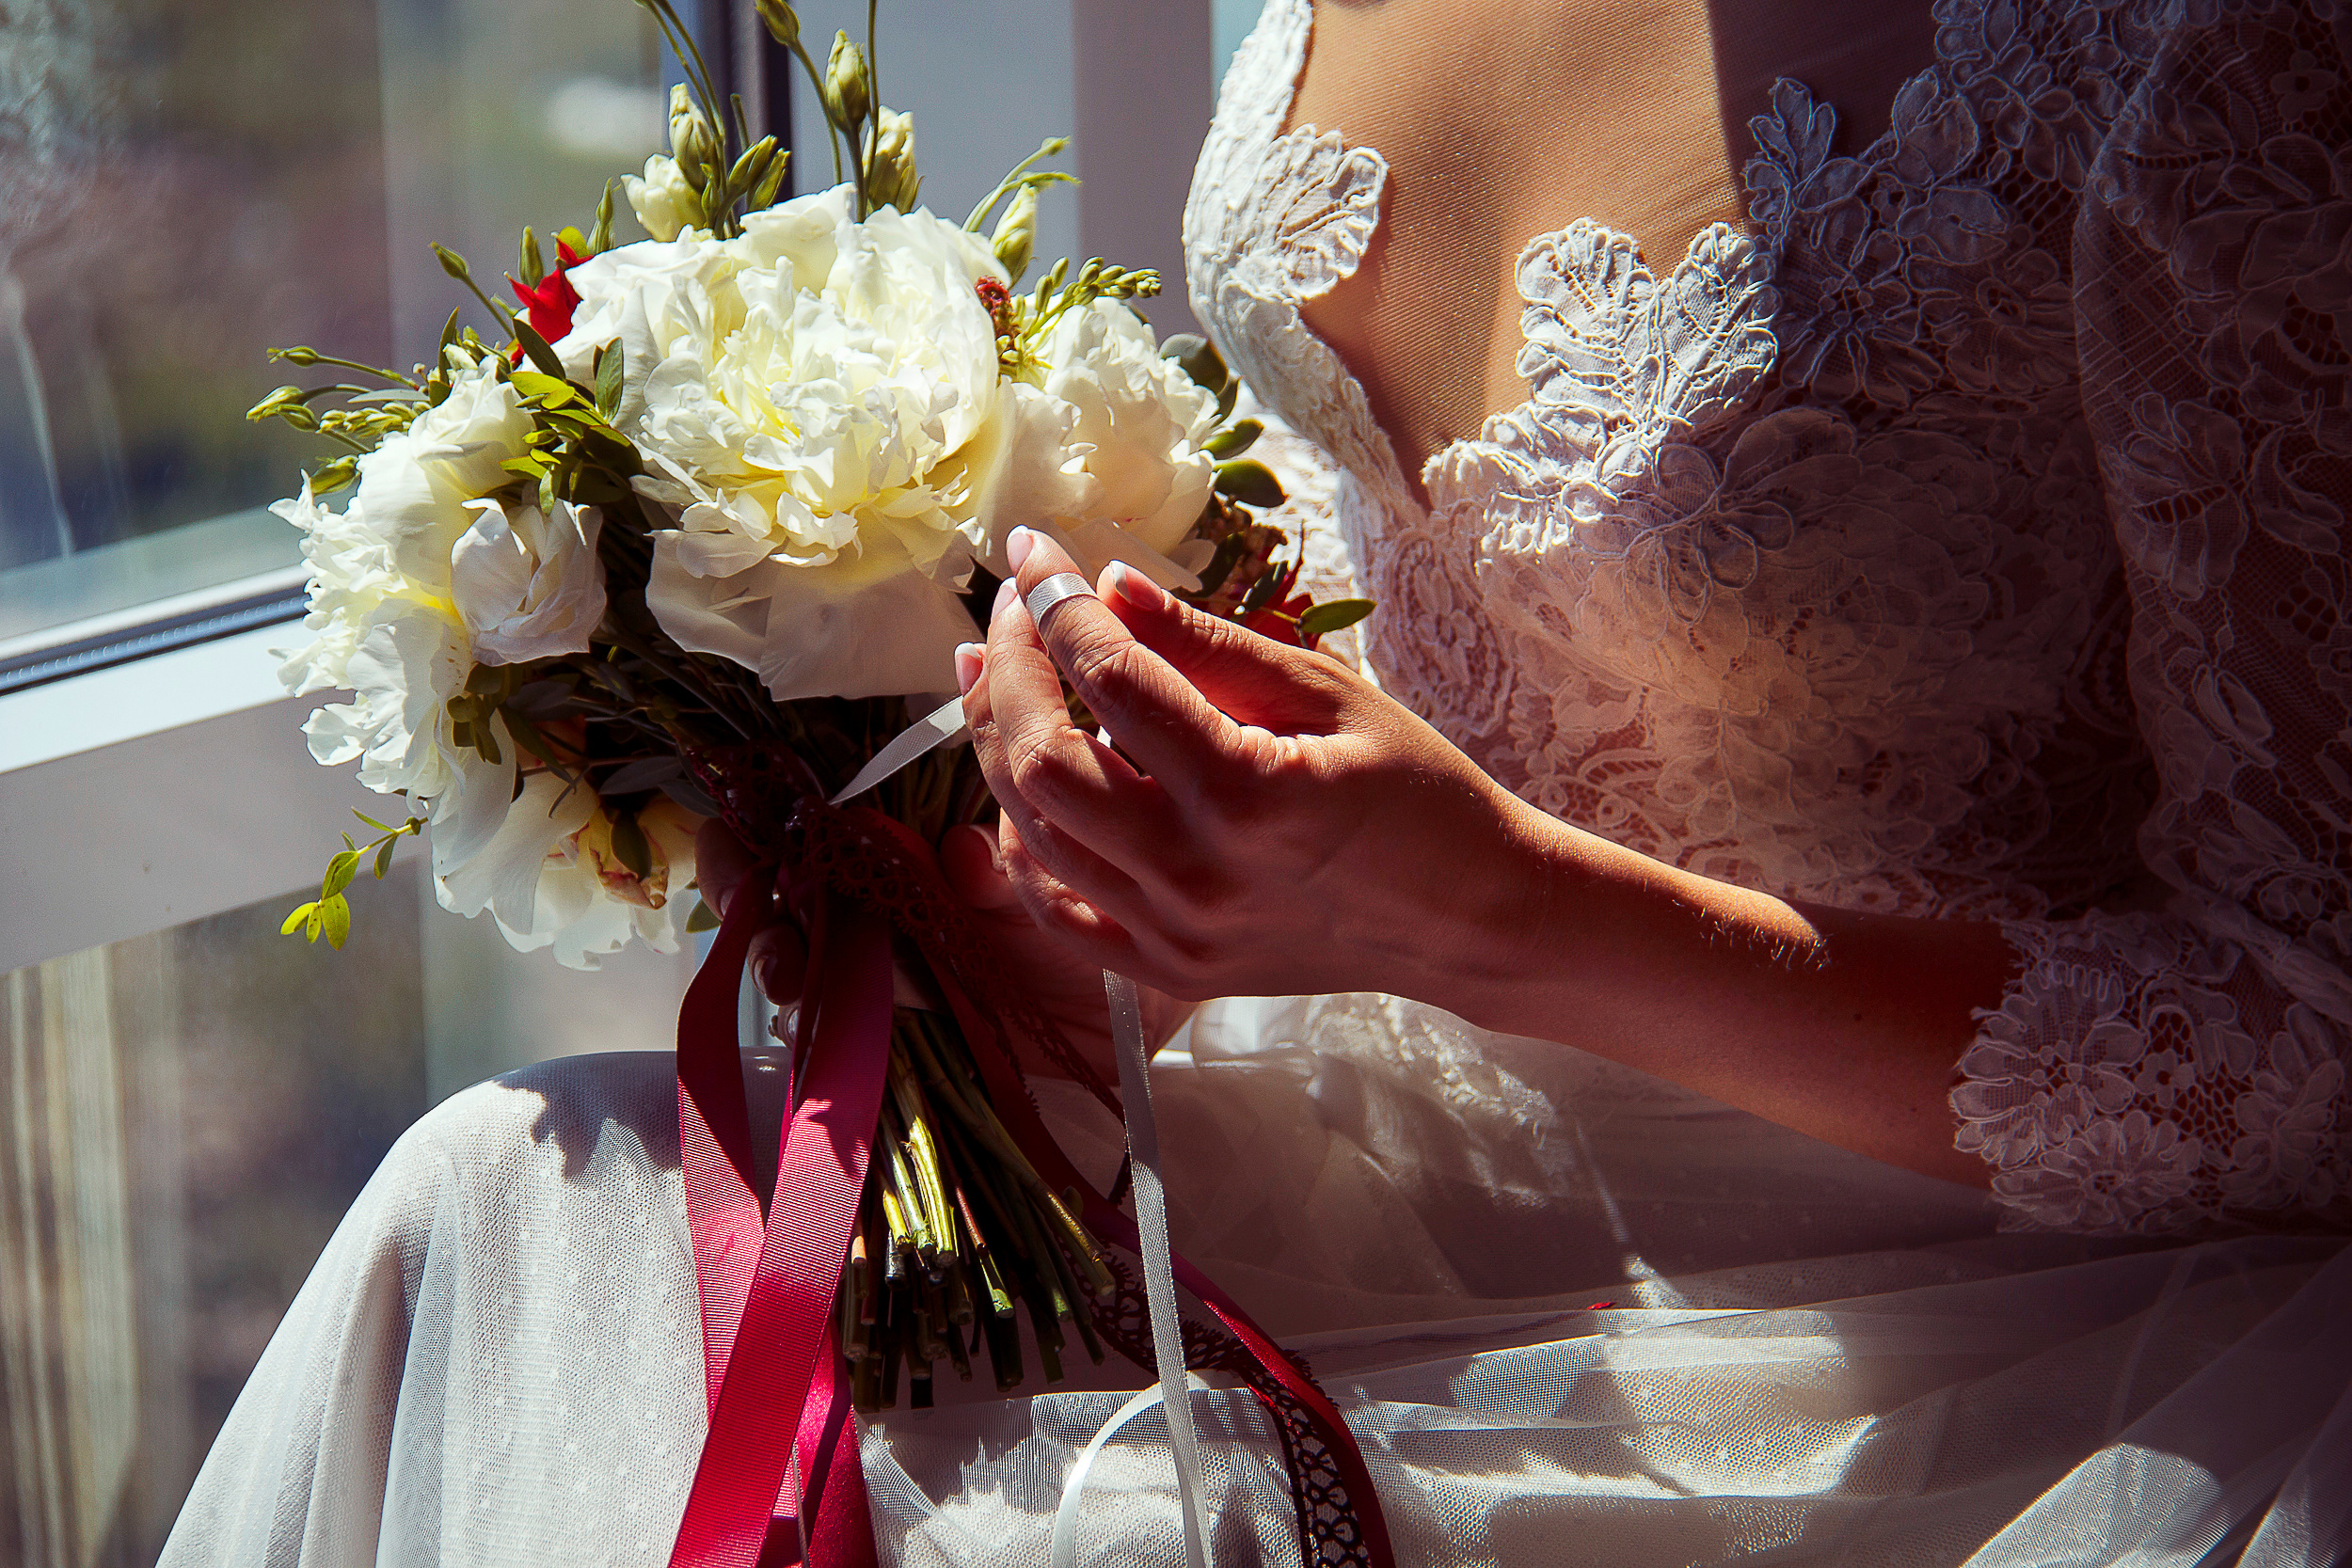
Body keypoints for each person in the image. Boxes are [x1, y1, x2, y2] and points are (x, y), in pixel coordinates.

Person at [163, 0, 2352, 1562]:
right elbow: (1393, 590)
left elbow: (2310, 1027)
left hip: (1936, 1306)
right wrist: (1086, 841)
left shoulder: (2199, 54)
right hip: (1366, 1100)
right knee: (507, 1209)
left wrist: (1481, 916)